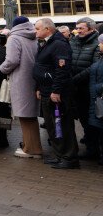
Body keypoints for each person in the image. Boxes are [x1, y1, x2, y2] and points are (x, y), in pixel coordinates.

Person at [34, 18, 79, 169]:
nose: (35, 31)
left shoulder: (59, 44)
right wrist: (39, 87)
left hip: (57, 93)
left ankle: (69, 157)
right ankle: (59, 155)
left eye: (37, 28)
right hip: (46, 90)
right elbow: (42, 67)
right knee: (52, 126)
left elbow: (62, 70)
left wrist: (56, 90)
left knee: (63, 125)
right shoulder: (46, 43)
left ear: (47, 29)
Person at [0, 16, 41, 158]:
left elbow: (11, 60)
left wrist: (2, 68)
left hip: (20, 80)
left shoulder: (14, 38)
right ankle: (32, 146)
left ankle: (30, 149)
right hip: (33, 79)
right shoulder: (34, 37)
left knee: (24, 116)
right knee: (31, 116)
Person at [70, 17, 100, 159]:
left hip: (88, 88)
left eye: (81, 28)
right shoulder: (73, 42)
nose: (78, 31)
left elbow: (93, 67)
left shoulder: (96, 44)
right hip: (75, 89)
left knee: (91, 120)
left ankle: (93, 149)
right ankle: (90, 145)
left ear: (91, 29)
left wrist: (74, 79)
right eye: (77, 28)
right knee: (83, 118)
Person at [79, 34, 103, 165]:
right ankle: (93, 152)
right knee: (95, 128)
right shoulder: (100, 57)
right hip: (95, 98)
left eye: (101, 43)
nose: (99, 45)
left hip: (99, 97)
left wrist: (97, 88)